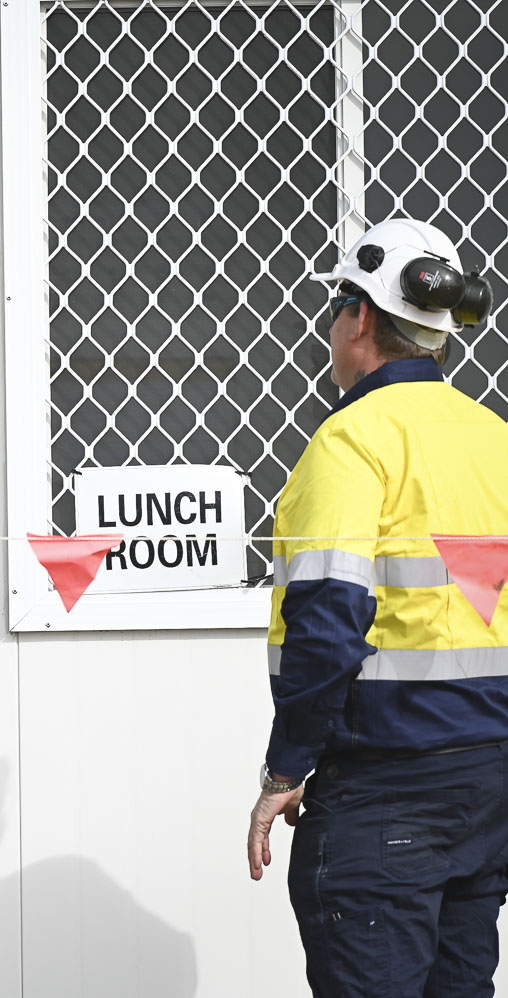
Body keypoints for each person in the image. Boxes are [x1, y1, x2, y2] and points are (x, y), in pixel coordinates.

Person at [246, 219, 507, 994]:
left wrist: (284, 768)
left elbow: (327, 625)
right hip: (490, 783)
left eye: (337, 310)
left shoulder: (352, 439)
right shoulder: (493, 435)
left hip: (389, 785)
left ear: (359, 317)